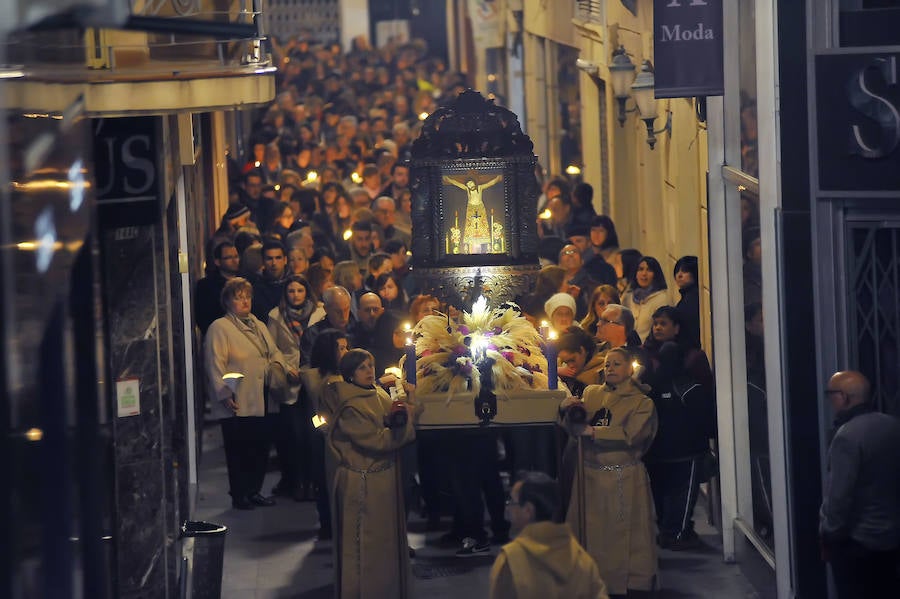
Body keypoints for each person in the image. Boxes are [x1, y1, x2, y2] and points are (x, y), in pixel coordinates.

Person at [560, 347, 658, 597]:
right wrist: (567, 410)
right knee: (589, 533)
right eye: (607, 364)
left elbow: (633, 435)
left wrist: (595, 433)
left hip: (622, 477)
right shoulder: (592, 394)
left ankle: (628, 583)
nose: (610, 369)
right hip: (589, 475)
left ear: (629, 369)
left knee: (622, 537)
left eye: (616, 364)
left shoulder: (642, 402)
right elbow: (574, 426)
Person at [328, 349, 420, 599]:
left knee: (384, 547)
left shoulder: (374, 392)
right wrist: (405, 426)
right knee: (366, 548)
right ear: (349, 374)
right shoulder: (350, 406)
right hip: (363, 485)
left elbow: (394, 415)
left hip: (383, 481)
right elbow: (378, 441)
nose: (369, 371)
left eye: (370, 365)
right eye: (362, 367)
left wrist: (409, 402)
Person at [204, 277, 297, 510]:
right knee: (239, 449)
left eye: (247, 297)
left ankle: (254, 490)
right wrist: (224, 393)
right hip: (237, 398)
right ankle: (239, 493)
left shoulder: (259, 324)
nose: (244, 301)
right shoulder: (220, 328)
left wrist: (284, 368)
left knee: (260, 446)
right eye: (238, 297)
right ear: (227, 301)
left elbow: (273, 352)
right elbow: (215, 363)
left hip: (262, 395)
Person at [819, 370, 900, 599]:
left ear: (844, 397)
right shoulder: (892, 426)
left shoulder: (847, 436)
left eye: (831, 394)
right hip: (890, 538)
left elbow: (839, 496)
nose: (830, 400)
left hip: (857, 541)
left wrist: (829, 534)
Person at [490, 471, 609, 599]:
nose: (508, 508)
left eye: (512, 501)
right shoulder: (582, 558)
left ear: (528, 510)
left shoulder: (510, 560)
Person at [643, 342, 715, 550]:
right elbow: (707, 421)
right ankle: (677, 535)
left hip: (657, 453)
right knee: (682, 495)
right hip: (688, 452)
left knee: (662, 494)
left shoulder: (652, 387)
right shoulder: (689, 387)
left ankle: (668, 531)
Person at [266, 275, 316, 501]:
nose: (296, 295)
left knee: (312, 432)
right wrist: (287, 368)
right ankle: (296, 481)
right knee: (293, 435)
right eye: (291, 291)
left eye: (300, 290)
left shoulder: (318, 313)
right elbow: (272, 348)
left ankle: (312, 481)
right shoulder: (276, 316)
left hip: (313, 378)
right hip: (290, 381)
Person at [443, 174, 503, 253]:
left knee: (482, 225)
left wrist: (497, 178)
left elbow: (490, 183)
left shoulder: (480, 188)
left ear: (474, 183)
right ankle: (469, 246)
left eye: (471, 183)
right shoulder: (467, 190)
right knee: (470, 226)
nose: (470, 185)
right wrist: (448, 179)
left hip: (480, 208)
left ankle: (485, 245)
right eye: (468, 184)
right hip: (471, 209)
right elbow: (457, 184)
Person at [196, 241, 241, 335]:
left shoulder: (246, 282)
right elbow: (204, 318)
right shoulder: (206, 286)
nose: (234, 260)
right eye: (228, 257)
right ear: (217, 261)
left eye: (236, 256)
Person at [623, 256, 671, 343]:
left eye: (649, 270)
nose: (644, 274)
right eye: (640, 269)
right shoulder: (627, 297)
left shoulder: (662, 299)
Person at [673, 256, 701, 349]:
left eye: (685, 271)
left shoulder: (693, 298)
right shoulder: (687, 297)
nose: (679, 275)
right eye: (677, 271)